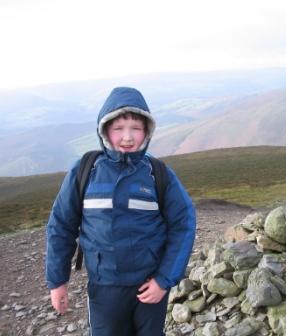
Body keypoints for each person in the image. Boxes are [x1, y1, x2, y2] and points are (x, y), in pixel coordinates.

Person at [45, 87, 196, 336]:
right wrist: (57, 282)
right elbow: (61, 226)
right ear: (104, 130)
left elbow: (184, 224)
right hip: (104, 288)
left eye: (136, 128)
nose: (127, 137)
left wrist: (164, 280)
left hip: (150, 287)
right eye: (118, 129)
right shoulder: (84, 171)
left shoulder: (158, 174)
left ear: (146, 131)